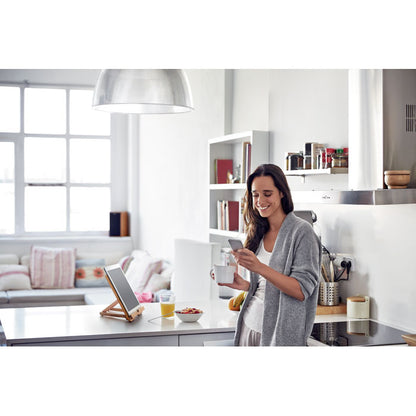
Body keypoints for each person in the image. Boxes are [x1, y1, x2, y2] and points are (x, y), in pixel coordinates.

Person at [213, 163, 321, 346]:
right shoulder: (258, 231)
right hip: (249, 325)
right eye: (255, 195)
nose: (260, 201)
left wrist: (259, 267)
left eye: (267, 194)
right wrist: (247, 285)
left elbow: (301, 291)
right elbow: (267, 288)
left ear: (282, 193)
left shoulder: (302, 232)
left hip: (279, 335)